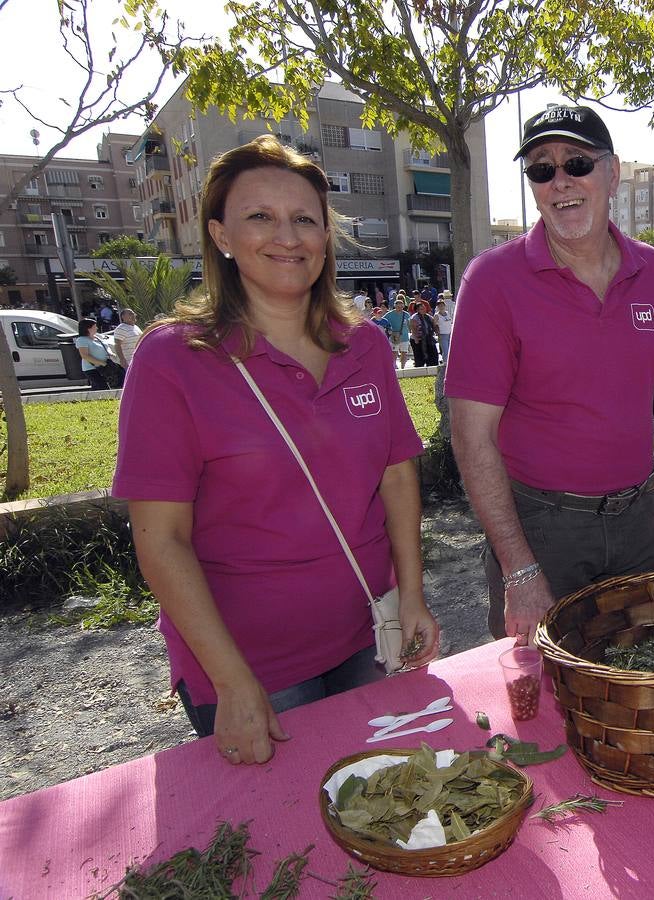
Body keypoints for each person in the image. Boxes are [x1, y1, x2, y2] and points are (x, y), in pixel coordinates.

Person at [111, 135, 439, 766]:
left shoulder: (366, 345)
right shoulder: (172, 361)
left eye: (304, 220)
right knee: (288, 842)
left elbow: (398, 476)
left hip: (368, 637)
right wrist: (232, 683)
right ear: (220, 235)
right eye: (260, 216)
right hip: (252, 669)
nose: (287, 236)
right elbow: (161, 540)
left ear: (326, 236)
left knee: (392, 802)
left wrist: (414, 594)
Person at [445, 104, 654, 641]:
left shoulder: (653, 271)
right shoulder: (494, 281)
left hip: (639, 517)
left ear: (613, 173)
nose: (560, 182)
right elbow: (471, 434)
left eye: (577, 163)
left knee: (649, 675)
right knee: (544, 695)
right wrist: (519, 568)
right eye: (541, 169)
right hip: (543, 528)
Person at [74, 317, 120, 390]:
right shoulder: (81, 340)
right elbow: (85, 356)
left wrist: (111, 354)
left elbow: (106, 347)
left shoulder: (97, 337)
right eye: (95, 326)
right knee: (103, 388)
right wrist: (102, 363)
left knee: (103, 387)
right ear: (88, 328)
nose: (97, 328)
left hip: (105, 367)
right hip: (92, 369)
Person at [383, 297, 412, 368]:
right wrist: (388, 329)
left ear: (403, 306)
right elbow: (383, 321)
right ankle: (394, 366)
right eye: (398, 306)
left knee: (404, 353)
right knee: (394, 353)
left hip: (404, 337)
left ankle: (403, 367)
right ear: (395, 306)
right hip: (394, 337)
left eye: (401, 306)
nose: (399, 307)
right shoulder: (389, 314)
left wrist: (411, 332)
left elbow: (409, 324)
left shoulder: (406, 314)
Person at [434, 294, 454, 362]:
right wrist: (438, 333)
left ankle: (450, 362)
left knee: (450, 351)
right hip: (442, 335)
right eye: (439, 306)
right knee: (445, 351)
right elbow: (435, 325)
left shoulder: (447, 313)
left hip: (449, 334)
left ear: (444, 306)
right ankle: (446, 363)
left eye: (442, 305)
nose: (441, 307)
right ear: (437, 307)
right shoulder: (437, 315)